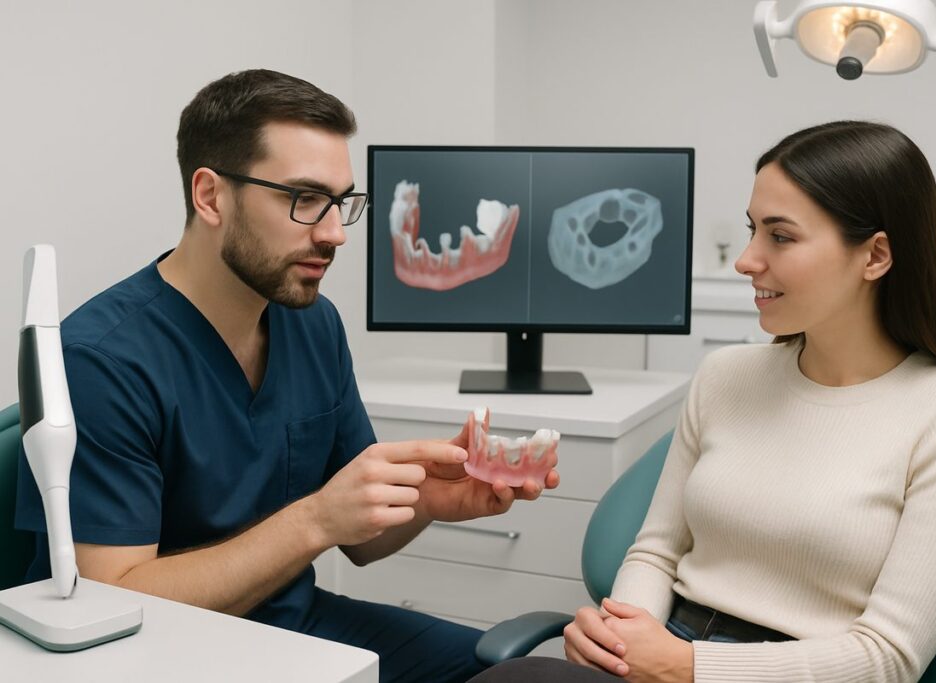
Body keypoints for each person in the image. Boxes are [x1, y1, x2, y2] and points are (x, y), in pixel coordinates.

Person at [14, 69, 558, 683]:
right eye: (303, 199)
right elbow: (112, 601)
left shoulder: (312, 323)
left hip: (295, 626)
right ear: (210, 196)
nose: (333, 234)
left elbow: (360, 541)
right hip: (153, 657)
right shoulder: (101, 361)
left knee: (532, 676)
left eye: (342, 203)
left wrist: (428, 501)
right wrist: (315, 519)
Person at [471, 121, 936, 683]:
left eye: (780, 236)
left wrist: (687, 667)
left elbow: (886, 659)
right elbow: (656, 552)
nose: (746, 259)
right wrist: (620, 641)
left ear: (875, 256)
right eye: (754, 230)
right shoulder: (726, 375)